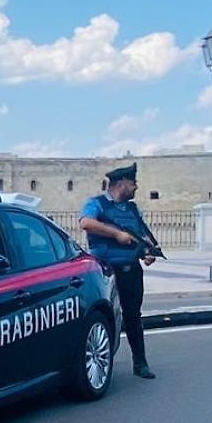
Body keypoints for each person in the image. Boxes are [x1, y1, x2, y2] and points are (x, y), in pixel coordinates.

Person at [78, 162, 159, 379]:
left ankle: (140, 363)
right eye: (133, 183)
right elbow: (86, 223)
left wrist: (147, 252)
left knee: (133, 317)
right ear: (122, 184)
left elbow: (140, 235)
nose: (136, 188)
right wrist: (115, 235)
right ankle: (100, 362)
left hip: (131, 269)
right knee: (102, 318)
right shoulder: (97, 204)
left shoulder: (132, 209)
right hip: (105, 272)